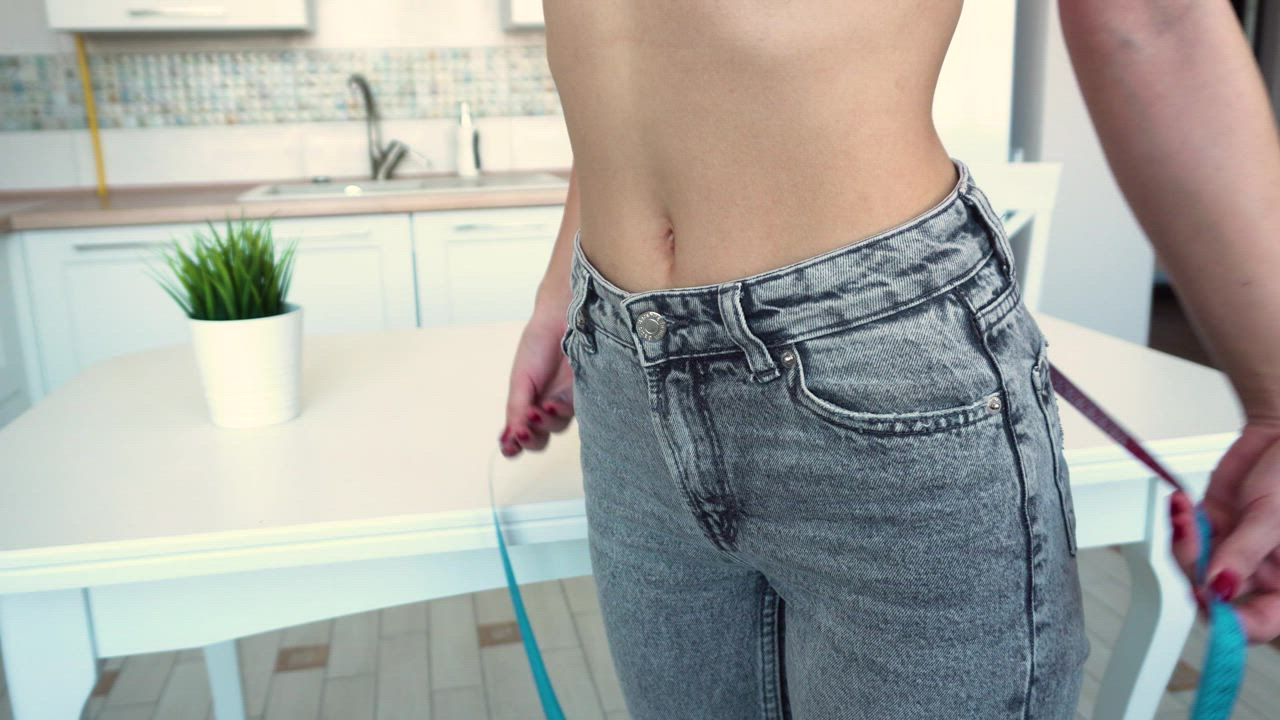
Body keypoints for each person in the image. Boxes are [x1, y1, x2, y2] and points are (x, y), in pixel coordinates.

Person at [497, 2, 1280, 717]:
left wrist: (1276, 403)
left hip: (877, 363)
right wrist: (561, 291)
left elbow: (1158, 18)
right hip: (622, 365)